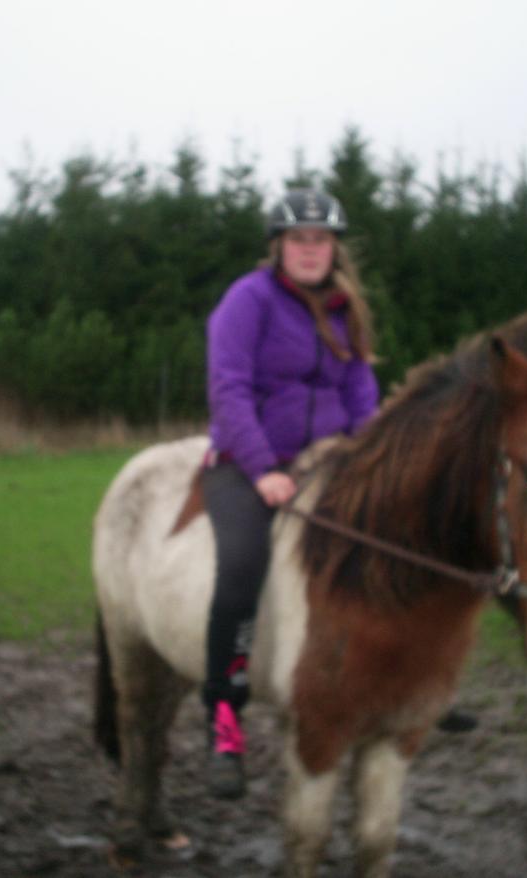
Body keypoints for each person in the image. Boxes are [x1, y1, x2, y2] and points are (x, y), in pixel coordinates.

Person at [201, 188, 378, 799]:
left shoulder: (343, 308)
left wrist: (369, 459)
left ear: (333, 248)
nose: (310, 250)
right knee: (242, 565)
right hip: (245, 463)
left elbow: (361, 393)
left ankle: (404, 685)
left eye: (320, 240)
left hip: (327, 462)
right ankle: (224, 719)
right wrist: (260, 469)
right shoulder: (246, 301)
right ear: (278, 246)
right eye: (298, 239)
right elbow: (228, 389)